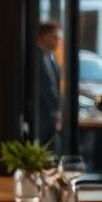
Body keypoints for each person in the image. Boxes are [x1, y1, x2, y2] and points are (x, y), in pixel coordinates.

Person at [36, 20, 63, 149]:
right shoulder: (36, 58)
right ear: (43, 36)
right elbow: (47, 89)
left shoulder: (50, 58)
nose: (58, 40)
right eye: (55, 37)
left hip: (50, 118)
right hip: (40, 118)